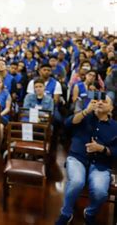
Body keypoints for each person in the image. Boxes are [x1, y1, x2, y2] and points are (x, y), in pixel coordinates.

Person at [55, 96, 116, 225]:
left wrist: (102, 148)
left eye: (105, 101)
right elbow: (67, 123)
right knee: (77, 182)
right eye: (99, 100)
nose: (100, 102)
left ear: (111, 108)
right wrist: (86, 111)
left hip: (101, 164)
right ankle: (66, 213)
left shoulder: (114, 127)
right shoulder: (85, 116)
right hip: (78, 158)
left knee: (100, 192)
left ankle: (90, 212)